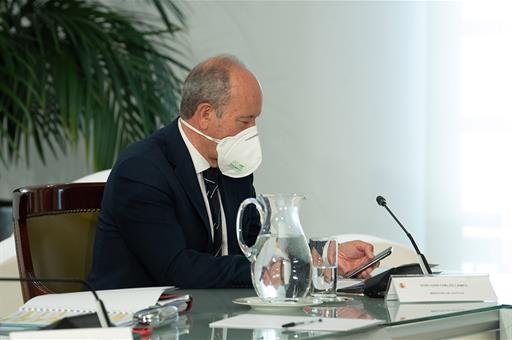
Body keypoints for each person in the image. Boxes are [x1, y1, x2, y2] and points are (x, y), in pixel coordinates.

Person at [87, 55, 376, 290]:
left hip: (212, 312)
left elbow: (256, 241)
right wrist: (268, 267)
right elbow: (178, 268)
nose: (252, 133)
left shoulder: (232, 163)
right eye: (245, 121)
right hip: (139, 320)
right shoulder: (141, 170)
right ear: (205, 115)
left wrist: (325, 254)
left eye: (255, 121)